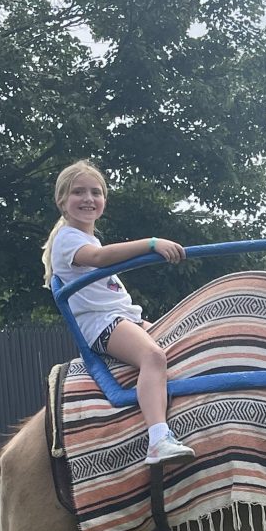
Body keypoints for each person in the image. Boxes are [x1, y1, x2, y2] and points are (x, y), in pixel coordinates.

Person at [44, 160, 194, 466]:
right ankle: (158, 438)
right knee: (153, 357)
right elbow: (99, 258)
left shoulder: (86, 237)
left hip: (124, 317)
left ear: (104, 201)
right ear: (62, 201)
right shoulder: (68, 238)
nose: (88, 198)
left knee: (182, 340)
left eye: (95, 192)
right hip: (103, 323)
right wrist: (152, 243)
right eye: (78, 192)